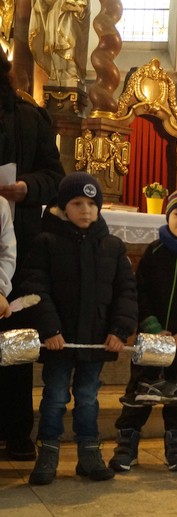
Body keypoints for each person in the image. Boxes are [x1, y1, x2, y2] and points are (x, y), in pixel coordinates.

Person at [19, 172, 137, 485]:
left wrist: (119, 330)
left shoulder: (112, 246)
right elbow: (35, 288)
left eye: (92, 204)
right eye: (77, 203)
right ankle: (48, 454)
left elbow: (126, 292)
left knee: (88, 397)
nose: (86, 210)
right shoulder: (46, 242)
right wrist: (50, 329)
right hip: (60, 341)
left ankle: (89, 454)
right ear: (62, 206)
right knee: (55, 397)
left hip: (95, 341)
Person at [109, 189, 177, 473]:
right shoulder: (155, 251)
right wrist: (152, 327)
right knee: (140, 389)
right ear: (168, 217)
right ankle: (127, 444)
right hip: (151, 339)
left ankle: (175, 446)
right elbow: (140, 290)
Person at [0, 51, 65, 462]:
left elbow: (55, 176)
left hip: (17, 245)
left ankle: (16, 431)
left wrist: (28, 188)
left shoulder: (28, 117)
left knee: (15, 339)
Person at [29, 0, 90, 86]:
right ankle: (56, 74)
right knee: (55, 49)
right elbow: (40, 7)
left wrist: (78, 9)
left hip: (69, 21)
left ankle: (71, 74)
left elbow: (83, 9)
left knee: (69, 49)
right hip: (54, 18)